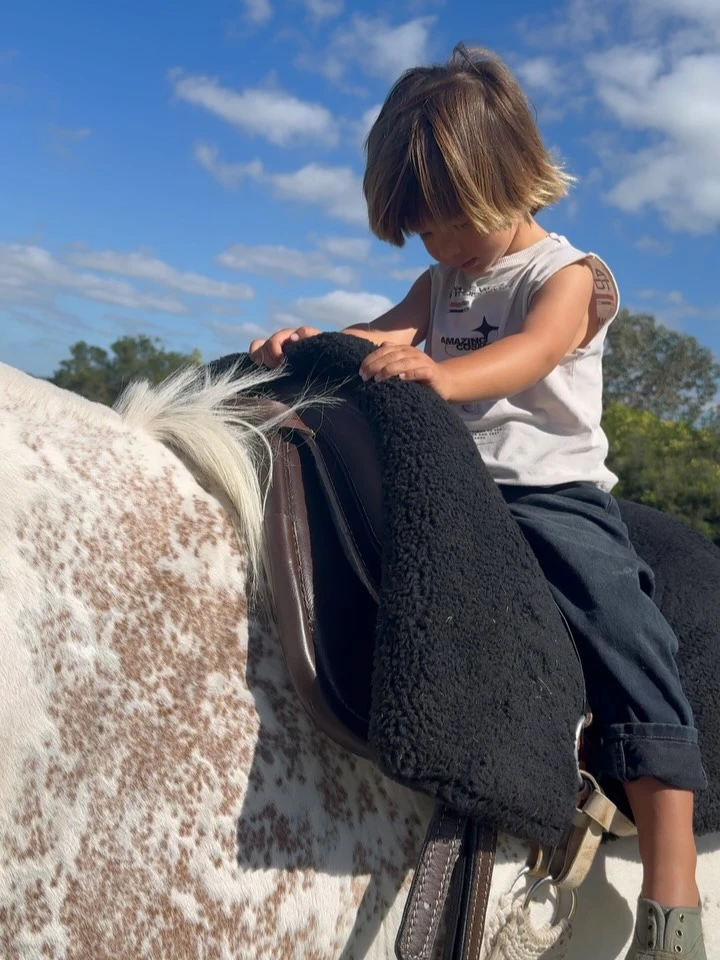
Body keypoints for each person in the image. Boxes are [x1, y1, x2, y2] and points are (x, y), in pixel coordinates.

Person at [250, 44, 706, 959]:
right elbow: (382, 331)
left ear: (505, 178)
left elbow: (533, 354)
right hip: (459, 487)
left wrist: (442, 375)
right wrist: (311, 341)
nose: (440, 246)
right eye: (421, 231)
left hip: (553, 493)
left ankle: (672, 882)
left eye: (448, 221)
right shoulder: (443, 279)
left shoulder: (569, 275)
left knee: (627, 632)